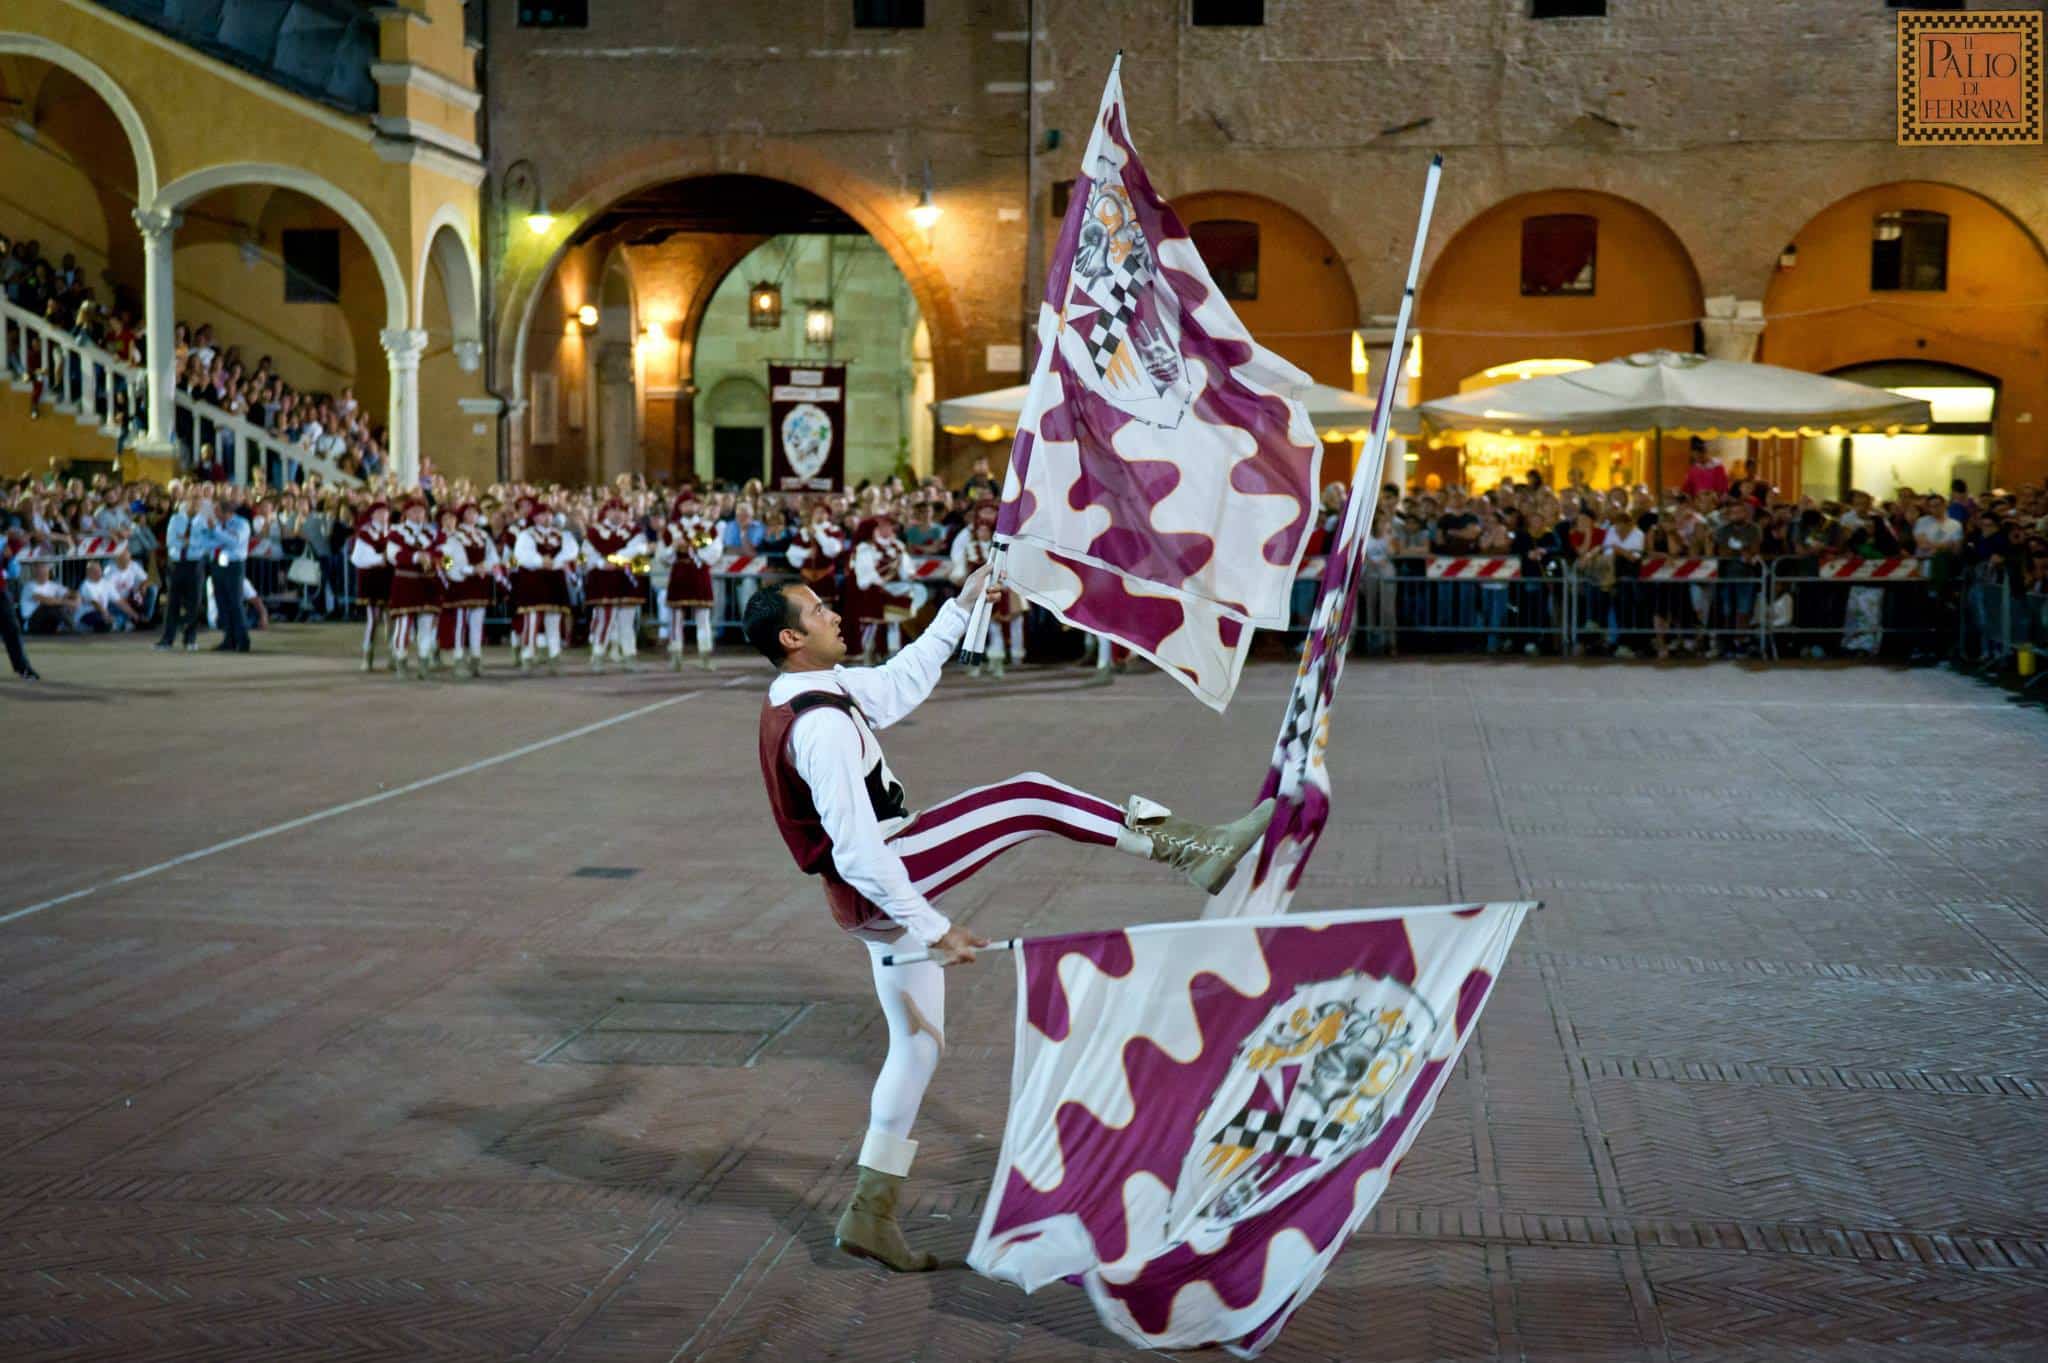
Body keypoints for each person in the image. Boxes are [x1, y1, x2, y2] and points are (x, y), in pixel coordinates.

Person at [744, 565, 1273, 1273]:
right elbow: (858, 849)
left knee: (918, 1047)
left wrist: (959, 609)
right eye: (817, 610)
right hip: (885, 871)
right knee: (1031, 794)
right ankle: (1191, 847)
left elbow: (899, 683)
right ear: (791, 637)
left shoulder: (815, 691)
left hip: (872, 897)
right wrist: (933, 925)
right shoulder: (817, 727)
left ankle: (869, 1211)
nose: (834, 613)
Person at [582, 498, 648, 672]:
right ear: (606, 512)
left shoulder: (634, 531)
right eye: (613, 510)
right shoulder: (594, 532)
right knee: (605, 619)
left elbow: (637, 549)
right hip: (604, 580)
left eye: (621, 511)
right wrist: (602, 564)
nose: (617, 514)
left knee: (627, 620)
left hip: (626, 580)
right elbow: (587, 554)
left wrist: (613, 559)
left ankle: (629, 655)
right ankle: (598, 655)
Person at [512, 501, 577, 673]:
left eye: (549, 514)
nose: (547, 518)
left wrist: (554, 562)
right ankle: (527, 655)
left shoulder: (562, 535)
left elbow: (571, 551)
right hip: (533, 581)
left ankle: (554, 655)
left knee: (554, 619)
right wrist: (541, 561)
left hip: (554, 580)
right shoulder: (527, 535)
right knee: (532, 619)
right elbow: (522, 555)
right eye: (542, 514)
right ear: (534, 517)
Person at [385, 497, 443, 679]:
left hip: (428, 584)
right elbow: (393, 556)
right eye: (414, 511)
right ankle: (401, 661)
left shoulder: (435, 535)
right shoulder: (397, 532)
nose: (418, 514)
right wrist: (417, 557)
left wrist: (442, 564)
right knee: (403, 624)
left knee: (426, 625)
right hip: (406, 583)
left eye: (421, 510)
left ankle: (424, 663)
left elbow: (448, 559)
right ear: (406, 514)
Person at [662, 493, 721, 671]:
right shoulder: (672, 529)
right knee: (675, 617)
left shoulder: (708, 527)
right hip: (679, 573)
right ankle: (676, 654)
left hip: (699, 573)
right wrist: (673, 547)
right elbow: (662, 555)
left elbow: (715, 551)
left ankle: (705, 654)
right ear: (679, 507)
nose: (690, 507)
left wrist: (694, 549)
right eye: (686, 504)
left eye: (693, 504)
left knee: (702, 616)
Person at [438, 503, 496, 678]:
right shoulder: (454, 536)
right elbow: (448, 560)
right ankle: (458, 658)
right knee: (460, 622)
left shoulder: (483, 535)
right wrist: (470, 569)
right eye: (469, 512)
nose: (473, 515)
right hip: (461, 582)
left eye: (476, 512)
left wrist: (486, 566)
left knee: (477, 622)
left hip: (479, 582)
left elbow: (493, 556)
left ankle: (476, 657)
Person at [196, 496, 251, 653]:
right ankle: (229, 639)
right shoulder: (216, 524)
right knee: (221, 602)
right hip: (217, 563)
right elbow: (205, 542)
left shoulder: (242, 524)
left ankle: (243, 640)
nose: (214, 513)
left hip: (234, 565)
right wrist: (221, 537)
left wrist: (216, 532)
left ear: (226, 512)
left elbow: (235, 542)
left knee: (235, 602)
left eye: (216, 510)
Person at [156, 488, 207, 652]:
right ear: (187, 499)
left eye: (198, 498)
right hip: (176, 564)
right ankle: (167, 639)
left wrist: (187, 540)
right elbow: (171, 541)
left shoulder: (204, 521)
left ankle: (190, 639)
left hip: (195, 564)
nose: (195, 501)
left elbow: (204, 543)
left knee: (194, 603)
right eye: (193, 498)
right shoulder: (176, 519)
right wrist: (192, 541)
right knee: (172, 603)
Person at [349, 500, 395, 671]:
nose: (384, 516)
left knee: (392, 620)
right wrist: (379, 559)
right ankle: (368, 656)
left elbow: (442, 556)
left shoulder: (395, 532)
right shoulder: (365, 533)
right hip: (373, 581)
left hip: (390, 580)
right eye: (380, 512)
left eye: (386, 512)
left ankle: (395, 656)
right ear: (373, 515)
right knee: (374, 619)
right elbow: (357, 558)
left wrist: (446, 566)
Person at [0, 530, 37, 679]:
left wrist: (9, 557)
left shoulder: (4, 542)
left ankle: (23, 668)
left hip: (0, 591)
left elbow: (14, 572)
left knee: (12, 629)